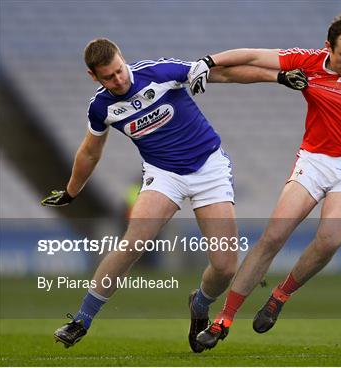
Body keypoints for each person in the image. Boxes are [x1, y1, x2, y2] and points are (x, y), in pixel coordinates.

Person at [40, 38, 307, 352]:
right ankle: (81, 321)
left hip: (208, 167)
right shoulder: (101, 107)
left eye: (119, 70)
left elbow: (223, 74)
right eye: (109, 77)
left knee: (224, 267)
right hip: (163, 174)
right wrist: (72, 191)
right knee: (132, 242)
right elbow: (89, 152)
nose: (119, 79)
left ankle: (200, 305)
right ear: (94, 77)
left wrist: (275, 77)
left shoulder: (161, 72)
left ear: (123, 58)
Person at [187, 11, 341, 349]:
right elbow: (255, 57)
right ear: (328, 46)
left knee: (329, 240)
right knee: (273, 236)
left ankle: (279, 296)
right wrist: (208, 61)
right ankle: (223, 320)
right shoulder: (308, 61)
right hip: (314, 161)